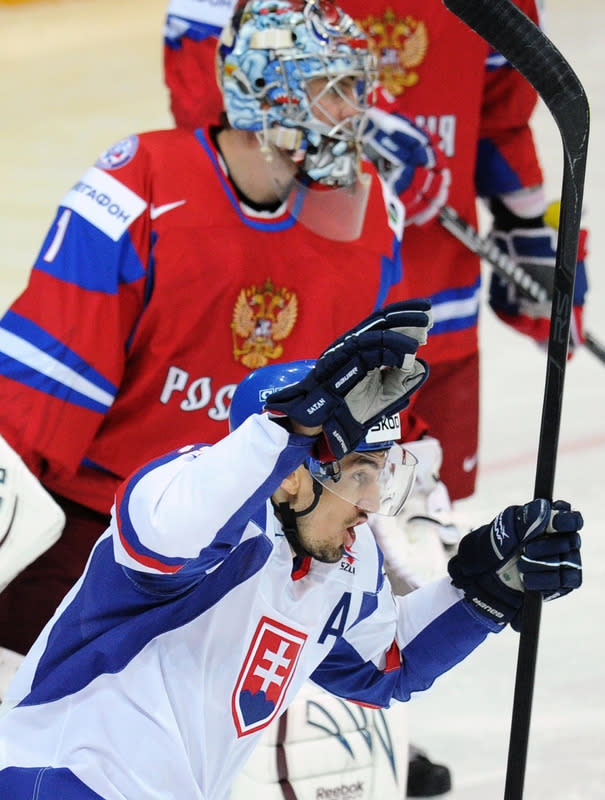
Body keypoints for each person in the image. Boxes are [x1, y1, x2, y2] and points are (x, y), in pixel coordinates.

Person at [0, 301, 584, 800]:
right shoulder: (191, 508)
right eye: (358, 474)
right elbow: (173, 530)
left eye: (381, 473)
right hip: (52, 777)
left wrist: (481, 592)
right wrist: (287, 431)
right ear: (290, 476)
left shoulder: (342, 562)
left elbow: (385, 663)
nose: (372, 501)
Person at [0, 0, 432, 657]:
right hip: (100, 537)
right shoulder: (140, 183)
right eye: (330, 88)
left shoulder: (369, 216)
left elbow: (365, 389)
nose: (353, 113)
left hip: (247, 546)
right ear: (265, 90)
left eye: (354, 88)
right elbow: (40, 393)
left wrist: (386, 492)